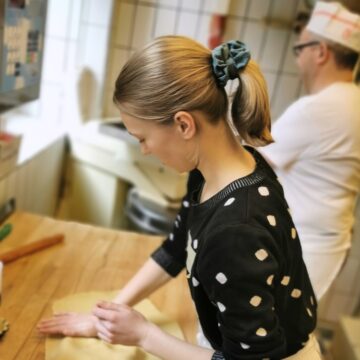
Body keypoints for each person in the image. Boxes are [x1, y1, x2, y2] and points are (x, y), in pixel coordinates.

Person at [37, 36, 321, 359]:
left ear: (184, 124)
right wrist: (107, 316)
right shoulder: (213, 172)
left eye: (143, 138)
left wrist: (144, 334)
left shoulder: (236, 231)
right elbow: (175, 248)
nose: (144, 150)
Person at [260, 1, 360, 300]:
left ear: (321, 52)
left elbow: (250, 160)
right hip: (329, 242)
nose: (297, 59)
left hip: (305, 245)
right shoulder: (353, 100)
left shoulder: (318, 108)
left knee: (271, 335)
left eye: (300, 49)